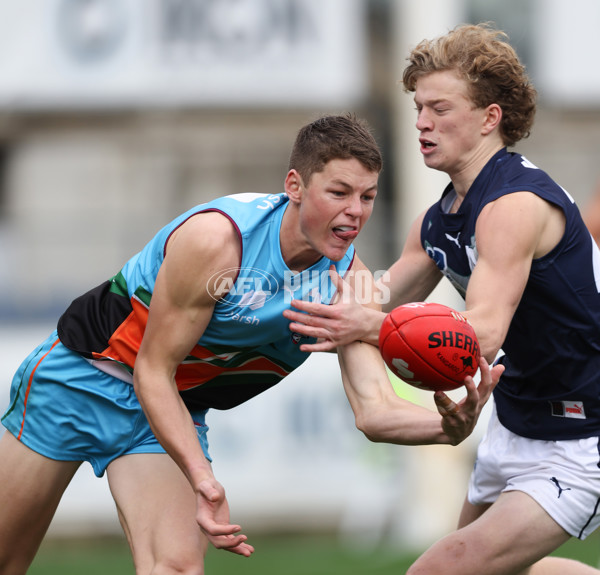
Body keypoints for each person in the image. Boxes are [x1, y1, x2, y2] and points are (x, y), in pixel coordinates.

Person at [0, 113, 501, 575]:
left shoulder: (350, 286)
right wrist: (203, 478)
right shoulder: (220, 242)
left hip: (167, 410)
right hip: (80, 378)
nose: (355, 212)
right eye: (340, 192)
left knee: (176, 568)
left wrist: (446, 427)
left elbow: (374, 410)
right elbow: (152, 368)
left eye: (367, 197)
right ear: (295, 187)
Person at [283, 25, 600, 575]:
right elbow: (382, 293)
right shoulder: (443, 215)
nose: (422, 123)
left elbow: (483, 333)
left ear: (489, 117)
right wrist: (317, 302)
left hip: (582, 435)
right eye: (418, 107)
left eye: (439, 108)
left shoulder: (512, 204)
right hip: (517, 421)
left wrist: (368, 327)